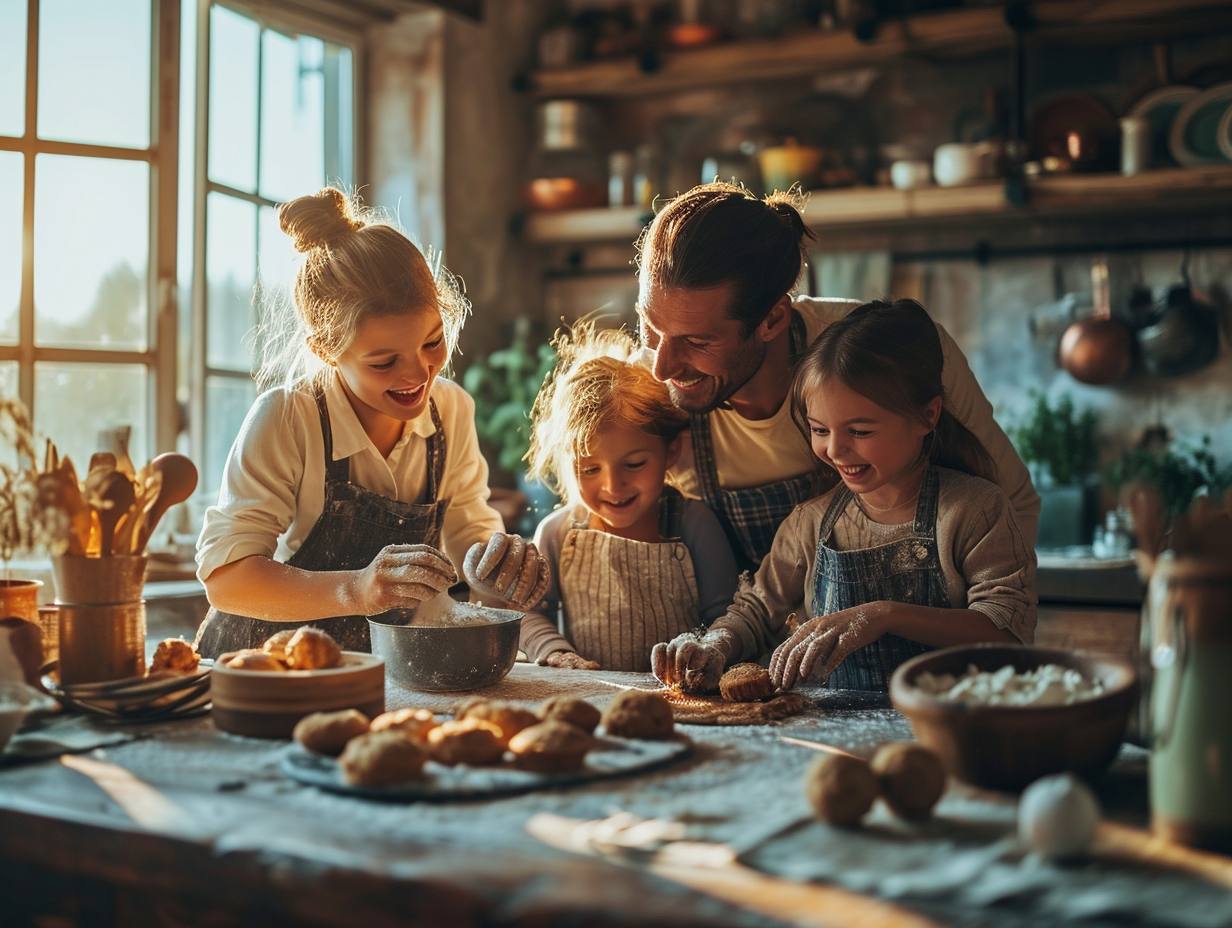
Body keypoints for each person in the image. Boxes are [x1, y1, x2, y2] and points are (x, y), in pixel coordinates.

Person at [193, 188, 549, 657]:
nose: (418, 373)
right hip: (261, 668)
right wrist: (356, 590)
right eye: (383, 362)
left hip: (380, 673)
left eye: (432, 342)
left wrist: (498, 564)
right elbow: (227, 580)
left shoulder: (451, 410)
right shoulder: (288, 417)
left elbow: (467, 535)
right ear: (325, 349)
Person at [634, 182, 1039, 572]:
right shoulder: (642, 391)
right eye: (649, 326)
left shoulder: (893, 351)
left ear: (772, 319)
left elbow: (1011, 504)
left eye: (697, 341)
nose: (661, 367)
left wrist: (974, 625)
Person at [652, 298, 1035, 692]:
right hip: (832, 740)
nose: (834, 450)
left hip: (951, 727)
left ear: (928, 416)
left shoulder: (975, 510)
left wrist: (883, 616)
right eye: (820, 430)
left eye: (860, 431)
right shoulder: (810, 522)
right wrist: (716, 643)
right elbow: (755, 611)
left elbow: (1006, 631)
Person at [520, 323, 739, 672]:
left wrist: (703, 654)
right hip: (591, 700)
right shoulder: (557, 534)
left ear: (671, 452)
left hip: (683, 698)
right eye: (590, 469)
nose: (612, 485)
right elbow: (531, 614)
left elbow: (727, 618)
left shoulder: (693, 523)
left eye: (634, 464)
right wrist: (555, 652)